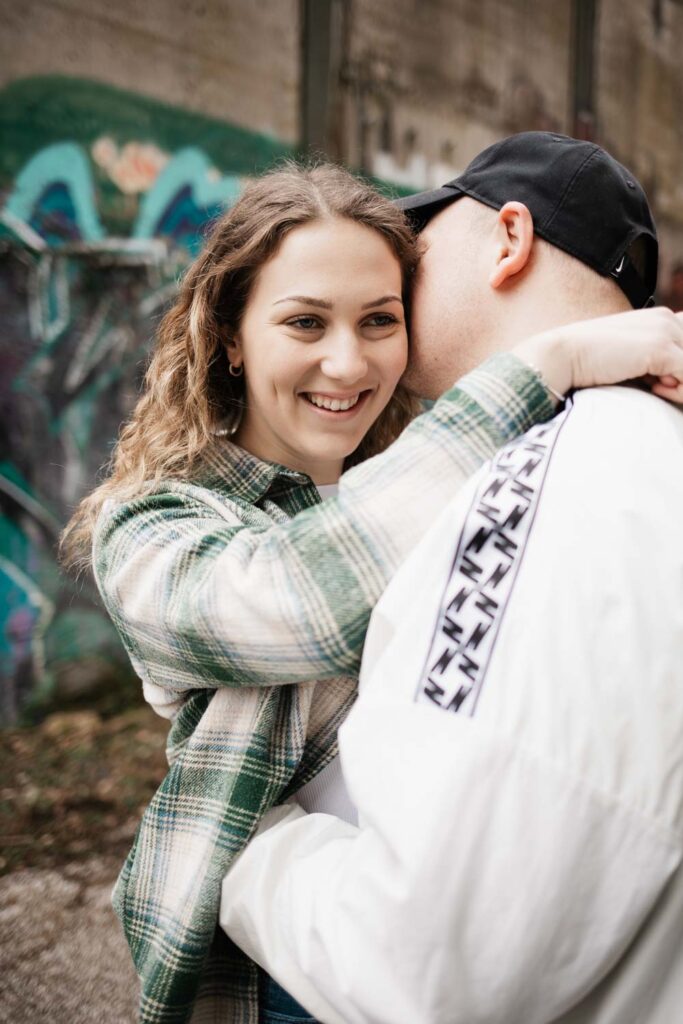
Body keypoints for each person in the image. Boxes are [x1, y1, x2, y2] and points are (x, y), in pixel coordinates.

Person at [59, 156, 683, 1024]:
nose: (347, 363)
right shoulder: (152, 523)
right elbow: (297, 596)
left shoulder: (416, 477)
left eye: (380, 320)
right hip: (266, 976)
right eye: (305, 322)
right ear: (233, 335)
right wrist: (556, 355)